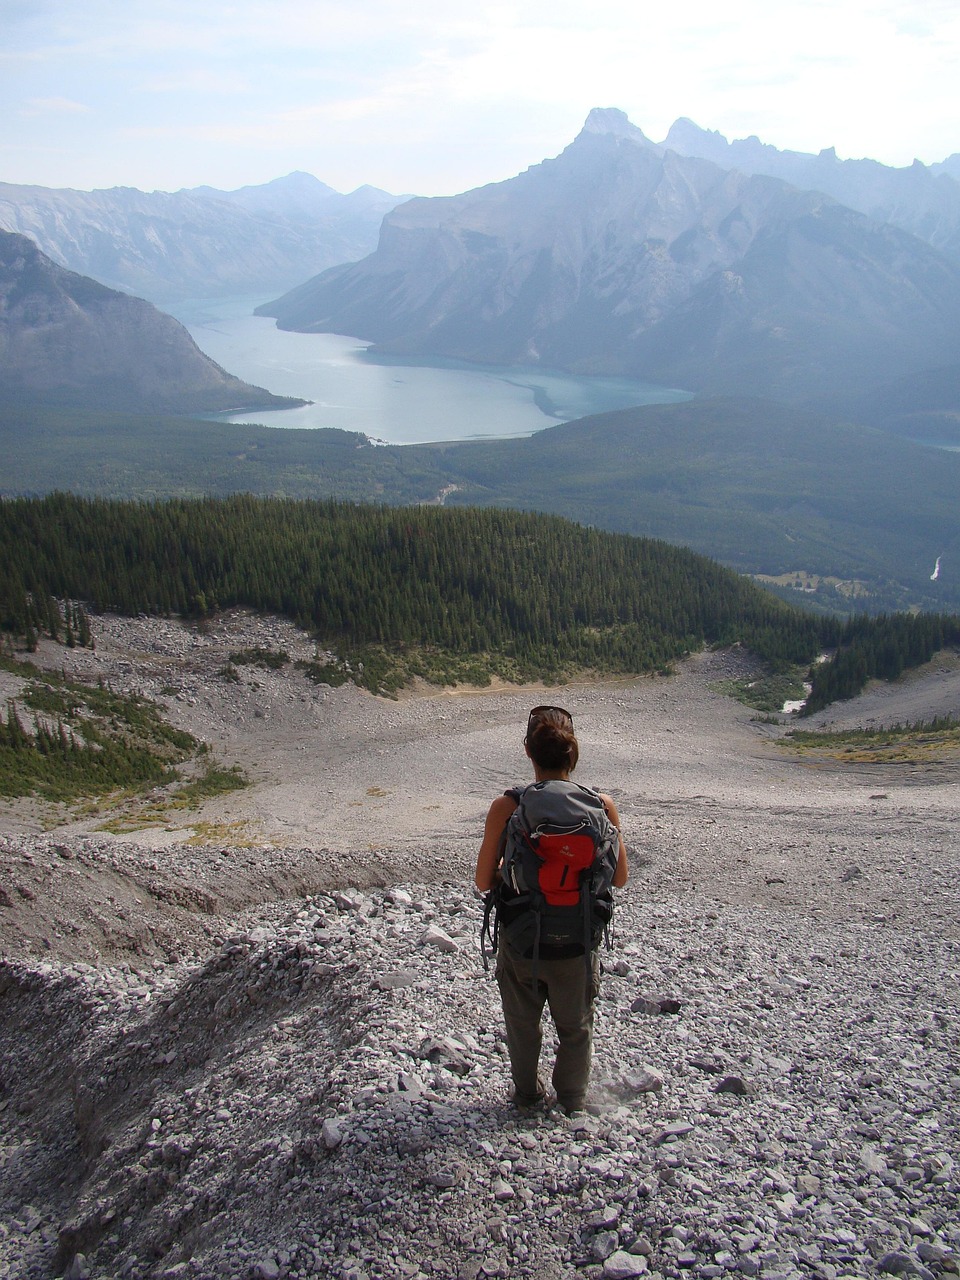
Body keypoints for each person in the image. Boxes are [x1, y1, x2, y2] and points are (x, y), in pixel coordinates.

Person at [475, 705, 628, 1114]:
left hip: (522, 936)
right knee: (575, 1026)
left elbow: (483, 882)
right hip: (578, 939)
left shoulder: (507, 807)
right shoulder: (603, 805)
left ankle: (527, 1097)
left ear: (529, 751)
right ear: (573, 754)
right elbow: (620, 879)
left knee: (523, 1025)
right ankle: (574, 1100)